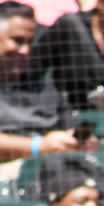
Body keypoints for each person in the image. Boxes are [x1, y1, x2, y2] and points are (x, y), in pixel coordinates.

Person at [0, 2, 98, 169]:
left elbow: (68, 124)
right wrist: (38, 146)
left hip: (55, 168)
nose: (25, 51)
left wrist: (81, 142)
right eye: (17, 41)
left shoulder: (44, 86)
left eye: (29, 43)